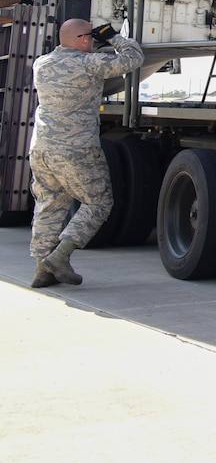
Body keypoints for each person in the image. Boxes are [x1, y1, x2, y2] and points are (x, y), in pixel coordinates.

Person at [28, 18, 145, 287]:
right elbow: (133, 58)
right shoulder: (88, 64)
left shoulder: (41, 63)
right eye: (91, 38)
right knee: (98, 202)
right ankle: (60, 256)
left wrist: (94, 38)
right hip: (76, 148)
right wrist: (114, 37)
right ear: (83, 39)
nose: (93, 42)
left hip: (42, 147)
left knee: (49, 205)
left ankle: (41, 269)